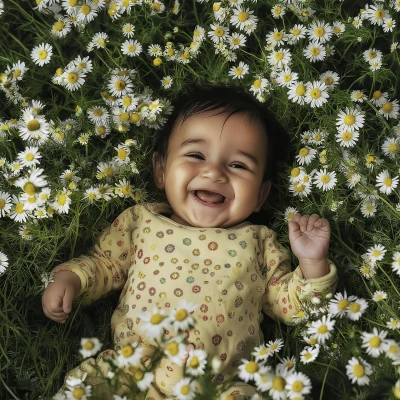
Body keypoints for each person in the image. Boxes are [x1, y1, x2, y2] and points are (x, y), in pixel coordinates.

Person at [42, 85, 338, 399]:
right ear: (161, 169)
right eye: (196, 155)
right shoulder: (141, 221)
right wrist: (70, 278)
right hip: (133, 369)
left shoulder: (260, 241)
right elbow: (105, 263)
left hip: (217, 385)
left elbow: (288, 305)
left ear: (260, 196)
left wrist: (312, 263)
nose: (213, 172)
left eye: (238, 165)